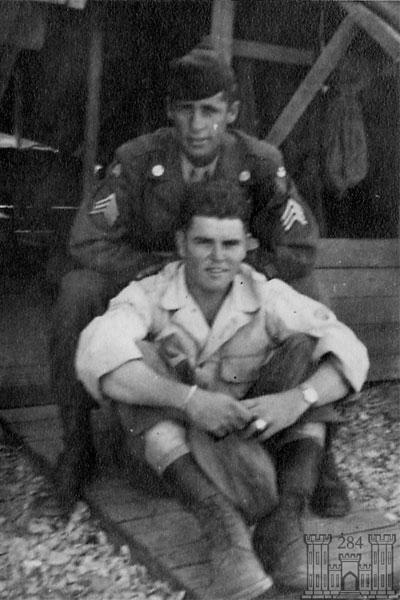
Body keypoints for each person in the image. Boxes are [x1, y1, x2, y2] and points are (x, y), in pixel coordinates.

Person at [49, 40, 334, 515]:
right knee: (77, 290)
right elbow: (87, 239)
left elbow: (299, 246)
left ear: (231, 113)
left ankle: (322, 459)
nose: (198, 125)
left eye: (210, 110)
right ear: (170, 111)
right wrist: (147, 269)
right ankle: (76, 447)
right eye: (186, 110)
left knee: (312, 292)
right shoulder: (138, 160)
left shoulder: (260, 162)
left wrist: (249, 272)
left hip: (227, 282)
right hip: (153, 281)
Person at [75, 181, 369, 598]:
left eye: (229, 244)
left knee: (310, 348)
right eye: (204, 243)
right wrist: (188, 401)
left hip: (244, 452)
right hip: (167, 465)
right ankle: (221, 526)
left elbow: (350, 352)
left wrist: (295, 399)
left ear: (246, 245)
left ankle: (283, 521)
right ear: (181, 243)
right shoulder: (149, 294)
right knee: (133, 361)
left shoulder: (265, 293)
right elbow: (95, 354)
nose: (218, 257)